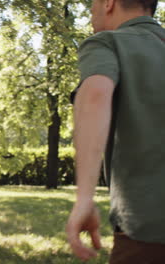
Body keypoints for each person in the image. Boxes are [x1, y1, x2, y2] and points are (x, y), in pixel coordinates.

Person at [65, 0, 164, 263]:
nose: (90, 10)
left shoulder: (108, 43)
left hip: (149, 235)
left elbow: (95, 95)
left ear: (108, 2)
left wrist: (84, 197)